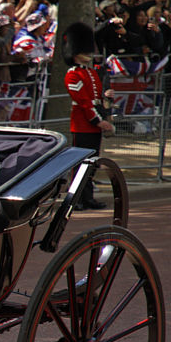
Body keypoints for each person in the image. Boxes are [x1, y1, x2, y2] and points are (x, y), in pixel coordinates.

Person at [62, 21, 114, 210]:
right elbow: (83, 102)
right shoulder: (72, 75)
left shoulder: (92, 73)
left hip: (93, 124)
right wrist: (98, 121)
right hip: (83, 124)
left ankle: (88, 197)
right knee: (80, 165)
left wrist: (106, 98)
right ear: (75, 53)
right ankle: (75, 200)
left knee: (91, 164)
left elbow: (97, 98)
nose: (89, 53)